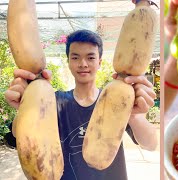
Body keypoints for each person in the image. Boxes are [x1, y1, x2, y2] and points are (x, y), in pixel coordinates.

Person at [4, 29, 157, 180]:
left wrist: (134, 115)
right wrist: (25, 107)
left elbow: (150, 144)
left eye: (90, 58)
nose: (83, 64)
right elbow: (15, 138)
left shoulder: (116, 101)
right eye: (75, 57)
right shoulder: (54, 101)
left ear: (100, 62)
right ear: (68, 61)